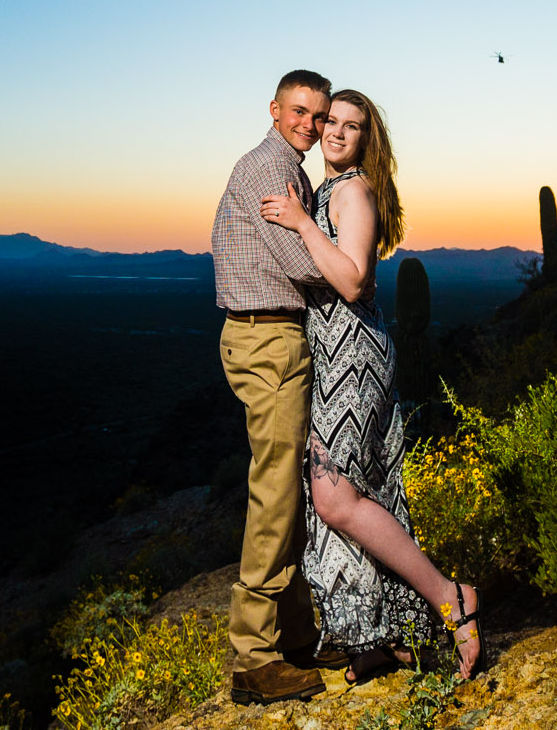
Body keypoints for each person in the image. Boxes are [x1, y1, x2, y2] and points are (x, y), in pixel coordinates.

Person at [260, 88, 482, 683]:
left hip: (353, 355)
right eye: (331, 120)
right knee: (360, 495)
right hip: (335, 356)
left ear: (366, 140)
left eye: (350, 126)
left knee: (335, 497)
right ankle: (385, 636)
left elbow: (354, 282)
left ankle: (450, 596)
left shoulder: (352, 190)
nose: (334, 131)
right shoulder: (332, 188)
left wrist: (304, 224)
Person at [211, 69, 345, 706]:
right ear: (274, 108)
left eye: (318, 116)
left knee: (288, 484)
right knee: (274, 490)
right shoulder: (272, 172)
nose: (311, 126)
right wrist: (353, 273)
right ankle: (255, 658)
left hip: (271, 337)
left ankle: (293, 636)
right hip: (267, 339)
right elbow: (297, 262)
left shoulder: (287, 169)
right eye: (300, 112)